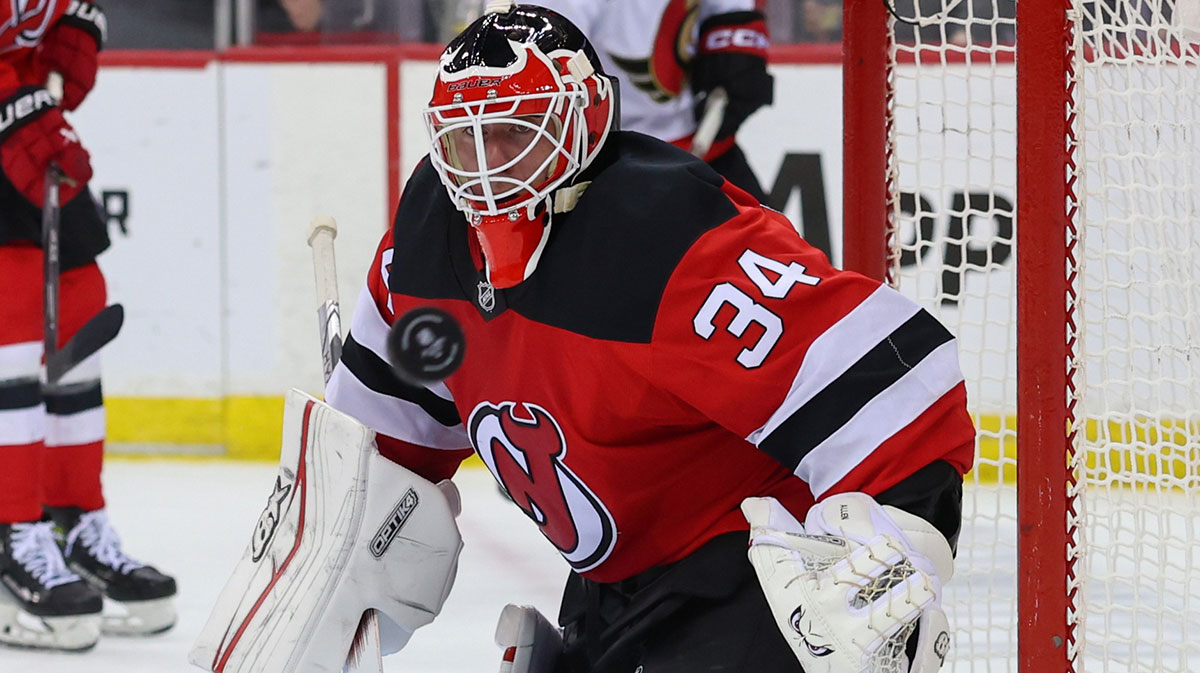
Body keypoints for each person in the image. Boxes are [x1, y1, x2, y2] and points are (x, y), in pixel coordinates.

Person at [325, 3, 974, 671]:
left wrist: (901, 548)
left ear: (584, 123)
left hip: (749, 573)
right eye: (468, 141)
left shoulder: (667, 241)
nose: (490, 171)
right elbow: (378, 462)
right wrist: (333, 568)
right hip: (612, 589)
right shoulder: (423, 249)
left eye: (515, 135)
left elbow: (902, 391)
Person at [0, 0, 177, 652]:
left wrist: (75, 17)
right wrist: (9, 105)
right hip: (7, 109)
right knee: (12, 325)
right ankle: (10, 532)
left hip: (16, 107)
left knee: (76, 305)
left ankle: (67, 519)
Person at [529, 0, 775, 202]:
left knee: (774, 248)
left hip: (707, 153)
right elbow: (549, 68)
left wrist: (736, 48)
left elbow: (729, 11)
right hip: (609, 166)